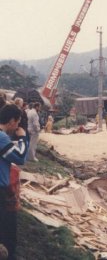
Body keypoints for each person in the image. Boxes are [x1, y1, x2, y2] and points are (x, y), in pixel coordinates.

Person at [0, 104, 28, 260]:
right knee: (8, 233)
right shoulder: (1, 137)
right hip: (0, 190)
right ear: (11, 121)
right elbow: (20, 157)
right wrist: (23, 137)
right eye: (17, 122)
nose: (17, 126)